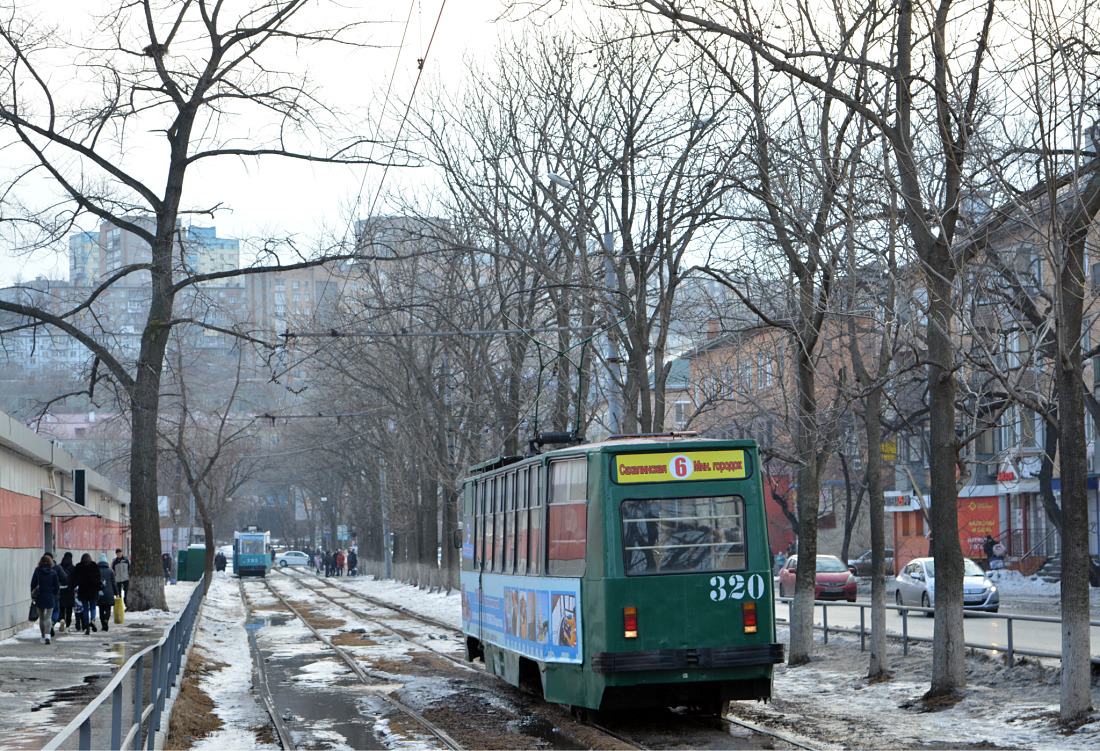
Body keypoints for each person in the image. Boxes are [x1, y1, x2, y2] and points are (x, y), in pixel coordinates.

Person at [30, 555, 61, 644]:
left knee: (42, 617)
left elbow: (33, 584)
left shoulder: (37, 571)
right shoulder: (53, 573)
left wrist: (33, 595)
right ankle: (48, 635)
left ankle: (43, 636)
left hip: (40, 596)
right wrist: (53, 594)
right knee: (49, 617)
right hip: (50, 596)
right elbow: (57, 586)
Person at [72, 553, 101, 634]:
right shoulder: (94, 565)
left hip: (83, 591)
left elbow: (75, 579)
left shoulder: (79, 566)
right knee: (93, 607)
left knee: (85, 609)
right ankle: (92, 620)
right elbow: (99, 578)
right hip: (93, 590)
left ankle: (87, 627)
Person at [97, 553, 118, 632]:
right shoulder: (110, 571)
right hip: (109, 592)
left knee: (101, 609)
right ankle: (106, 620)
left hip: (100, 593)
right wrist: (117, 593)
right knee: (108, 608)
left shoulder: (97, 571)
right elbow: (114, 583)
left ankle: (103, 624)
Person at [58, 552, 76, 632]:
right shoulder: (73, 568)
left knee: (61, 607)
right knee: (69, 609)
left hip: (61, 590)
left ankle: (62, 619)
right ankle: (67, 626)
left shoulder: (59, 567)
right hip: (70, 591)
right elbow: (75, 580)